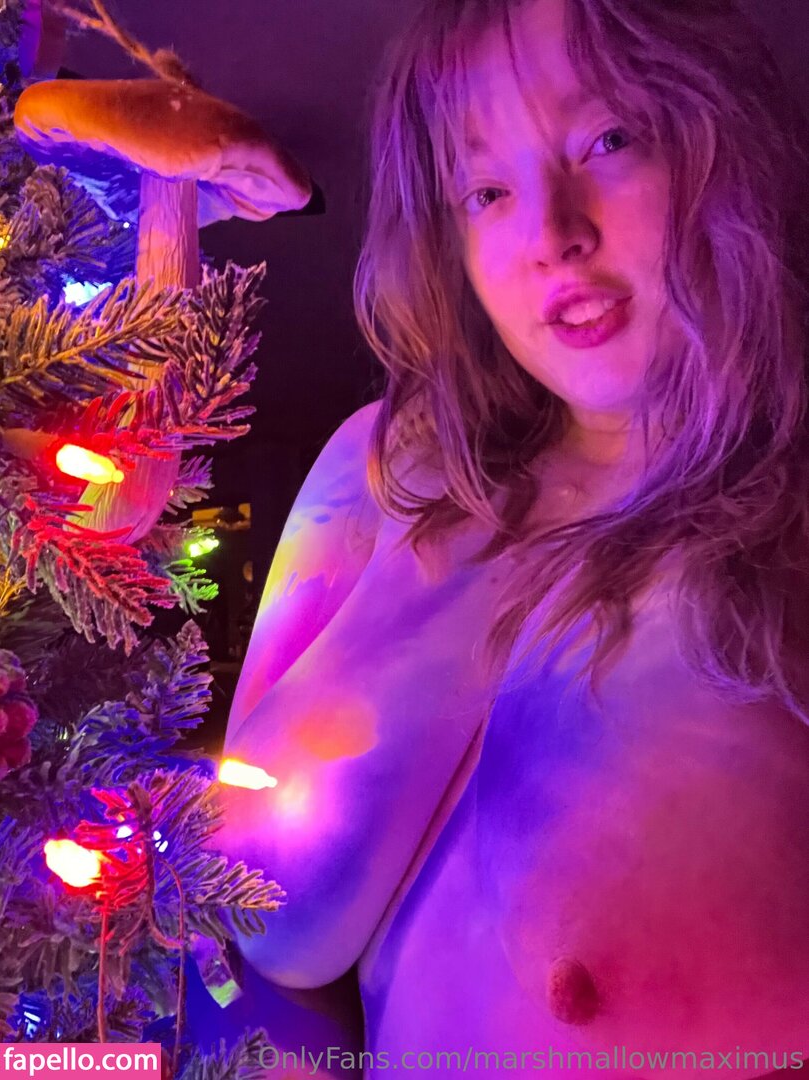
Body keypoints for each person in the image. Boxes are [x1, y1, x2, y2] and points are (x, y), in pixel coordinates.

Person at [215, 0, 809, 1075]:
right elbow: (246, 910)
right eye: (486, 190)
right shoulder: (381, 469)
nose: (550, 235)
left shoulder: (788, 527)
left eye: (609, 139)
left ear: (723, 138)